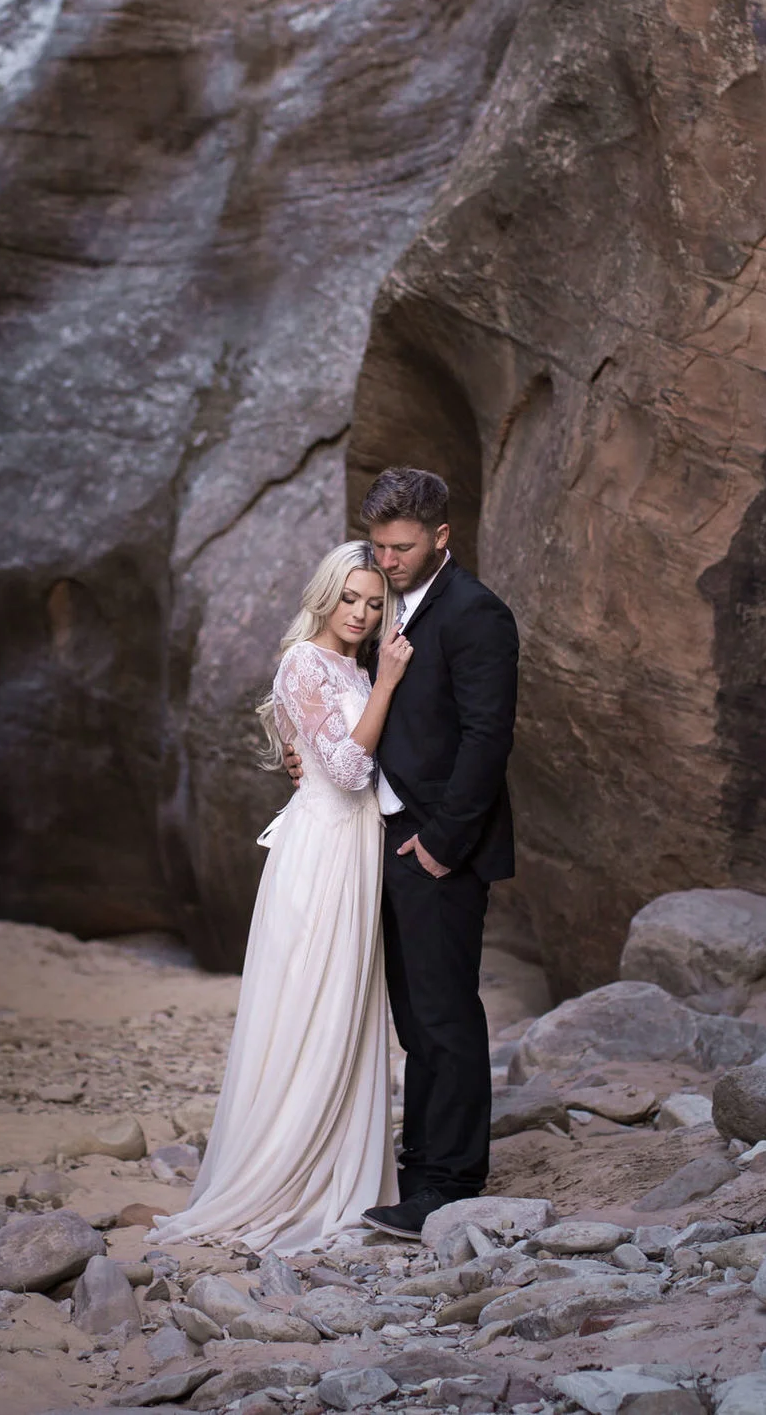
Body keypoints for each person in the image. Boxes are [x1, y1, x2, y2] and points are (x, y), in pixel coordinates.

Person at [147, 541, 414, 1252]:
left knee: (347, 1011)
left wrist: (376, 684)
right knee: (310, 1010)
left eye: (373, 602)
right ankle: (284, 1174)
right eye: (349, 597)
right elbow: (351, 767)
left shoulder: (350, 666)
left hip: (355, 852)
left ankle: (338, 1172)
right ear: (324, 594)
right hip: (322, 856)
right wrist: (386, 684)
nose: (359, 613)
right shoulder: (303, 663)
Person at [291, 467, 520, 1238]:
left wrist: (443, 843)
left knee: (447, 1014)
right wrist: (304, 758)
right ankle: (419, 1171)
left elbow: (489, 738)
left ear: (441, 537)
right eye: (380, 546)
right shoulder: (389, 608)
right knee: (413, 1020)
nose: (386, 560)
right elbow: (351, 711)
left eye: (402, 546)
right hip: (380, 843)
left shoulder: (477, 613)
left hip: (438, 847)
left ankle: (453, 1183)